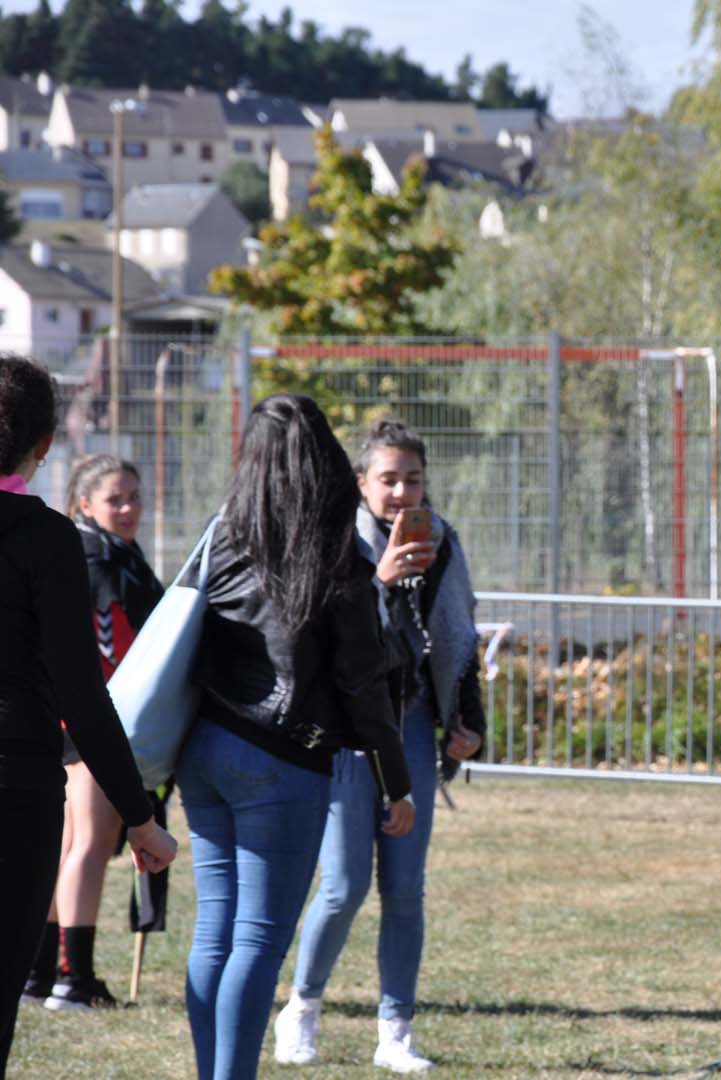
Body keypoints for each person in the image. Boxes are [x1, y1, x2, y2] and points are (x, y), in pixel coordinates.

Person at [178, 393, 416, 1080]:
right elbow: (362, 684)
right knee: (255, 937)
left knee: (216, 932)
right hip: (281, 760)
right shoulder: (332, 552)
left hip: (206, 747)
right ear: (325, 463)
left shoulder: (223, 533)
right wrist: (393, 781)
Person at [275, 418, 485, 1073]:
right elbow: (319, 637)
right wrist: (381, 582)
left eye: (413, 480)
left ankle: (395, 1031)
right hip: (345, 736)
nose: (402, 493)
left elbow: (457, 637)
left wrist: (466, 718)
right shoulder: (336, 541)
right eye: (388, 479)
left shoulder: (442, 541)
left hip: (412, 726)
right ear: (362, 483)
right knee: (342, 885)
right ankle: (301, 1010)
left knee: (405, 887)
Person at [0, 356, 178, 1073]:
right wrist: (139, 818)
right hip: (18, 787)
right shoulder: (47, 539)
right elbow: (82, 691)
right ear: (45, 447)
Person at [23, 456, 165, 1011]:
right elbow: (112, 649)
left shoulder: (114, 553)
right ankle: (73, 979)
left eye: (135, 496)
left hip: (78, 718)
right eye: (115, 499)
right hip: (90, 723)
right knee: (88, 843)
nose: (128, 508)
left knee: (71, 845)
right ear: (85, 504)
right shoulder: (97, 560)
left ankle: (40, 973)